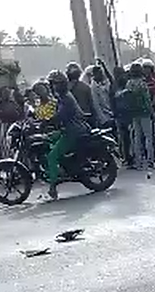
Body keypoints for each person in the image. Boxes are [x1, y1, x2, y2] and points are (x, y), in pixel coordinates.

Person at [45, 70, 90, 200]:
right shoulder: (63, 97)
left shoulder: (66, 98)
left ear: (61, 84)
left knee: (52, 156)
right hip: (71, 128)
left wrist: (48, 122)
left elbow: (61, 116)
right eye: (52, 84)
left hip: (74, 130)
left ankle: (53, 186)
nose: (53, 87)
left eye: (55, 84)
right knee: (49, 140)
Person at [126, 63, 155, 175]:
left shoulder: (129, 84)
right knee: (148, 137)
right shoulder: (142, 84)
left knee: (137, 137)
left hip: (134, 113)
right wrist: (152, 113)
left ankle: (138, 162)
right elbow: (147, 100)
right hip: (144, 113)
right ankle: (150, 160)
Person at [90, 62, 114, 128]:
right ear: (95, 74)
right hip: (105, 117)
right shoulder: (93, 87)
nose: (101, 75)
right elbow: (96, 105)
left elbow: (111, 81)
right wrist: (103, 120)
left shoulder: (104, 82)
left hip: (111, 113)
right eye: (99, 73)